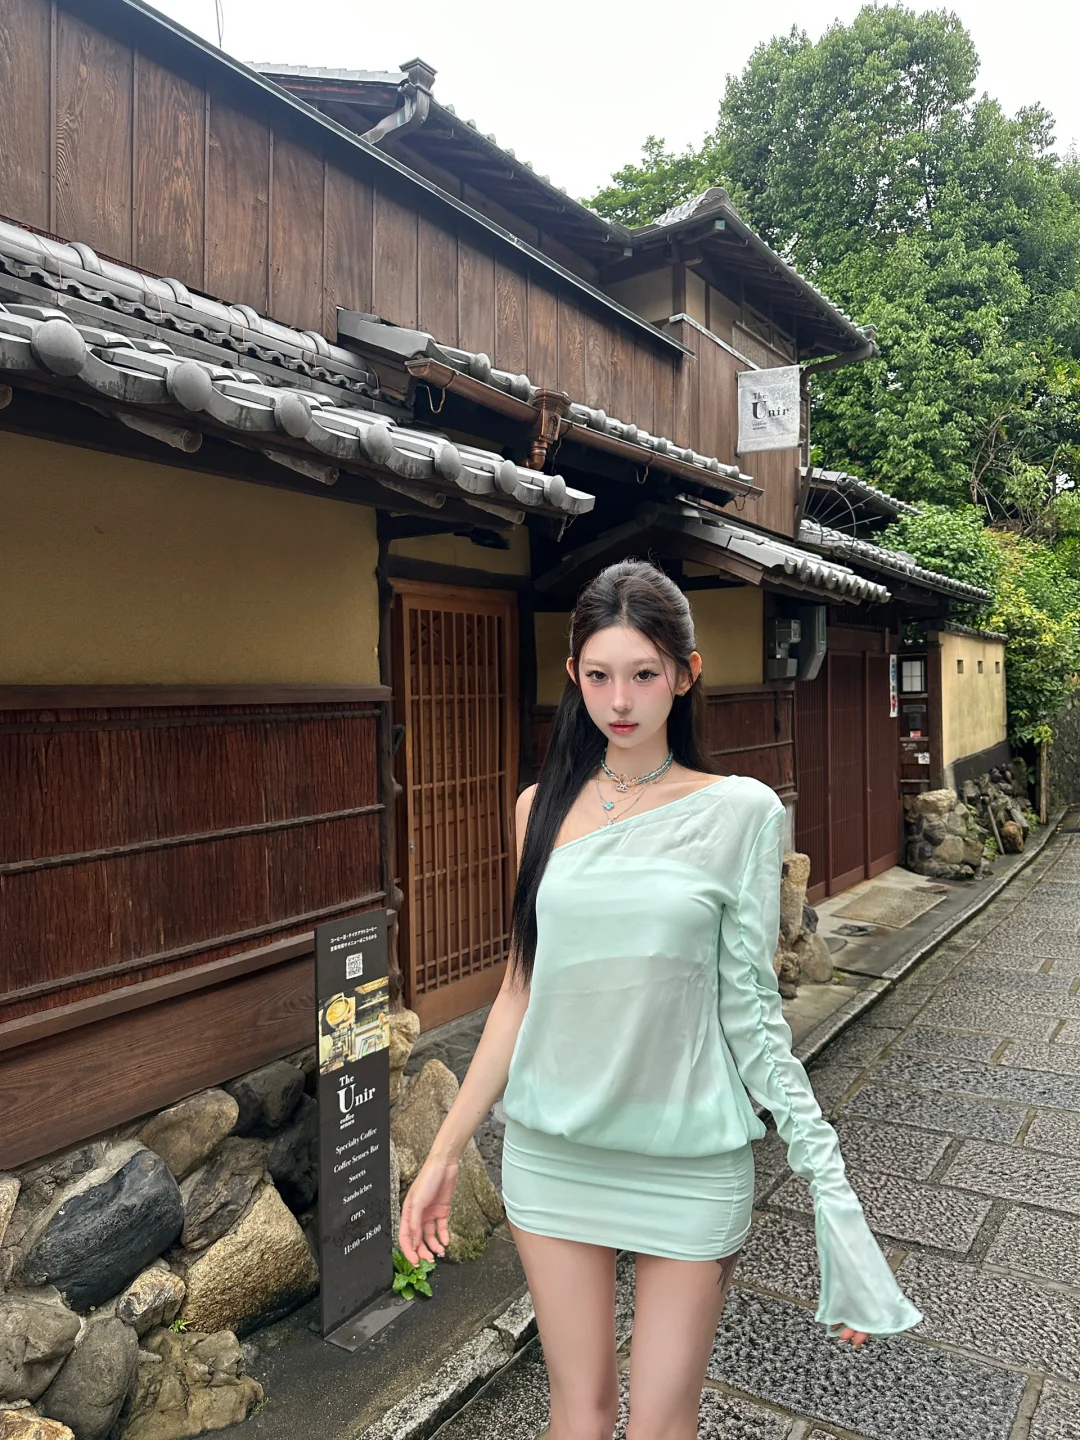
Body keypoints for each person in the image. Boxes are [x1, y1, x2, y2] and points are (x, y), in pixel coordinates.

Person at [399, 559, 922, 1440]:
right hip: (553, 1153)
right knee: (579, 1414)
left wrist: (833, 1194)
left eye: (644, 674)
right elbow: (520, 991)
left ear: (685, 673)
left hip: (689, 1160)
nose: (621, 700)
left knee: (660, 1423)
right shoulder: (536, 809)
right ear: (573, 675)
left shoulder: (740, 811)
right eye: (599, 675)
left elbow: (752, 1012)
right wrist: (445, 1153)